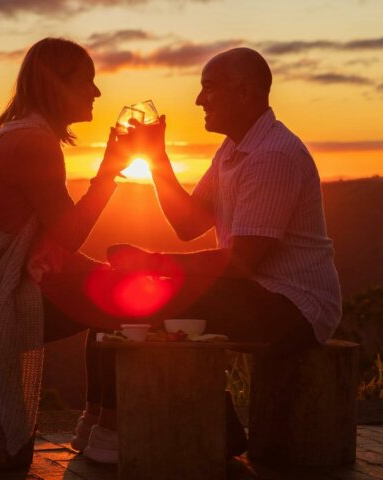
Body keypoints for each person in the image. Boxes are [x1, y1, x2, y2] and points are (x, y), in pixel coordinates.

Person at [103, 47, 343, 458]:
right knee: (120, 292)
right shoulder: (234, 150)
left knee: (144, 295)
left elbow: (241, 262)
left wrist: (150, 262)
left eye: (208, 88)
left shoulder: (273, 156)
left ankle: (128, 430)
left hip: (293, 305)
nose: (198, 100)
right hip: (254, 291)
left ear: (246, 93)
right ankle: (112, 422)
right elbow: (189, 224)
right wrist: (156, 157)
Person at [0, 37, 137, 460]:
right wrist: (108, 175)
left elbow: (49, 247)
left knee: (110, 286)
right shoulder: (34, 142)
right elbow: (68, 235)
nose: (96, 92)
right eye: (86, 81)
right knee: (127, 302)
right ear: (55, 86)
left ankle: (94, 424)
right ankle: (108, 435)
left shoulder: (14, 135)